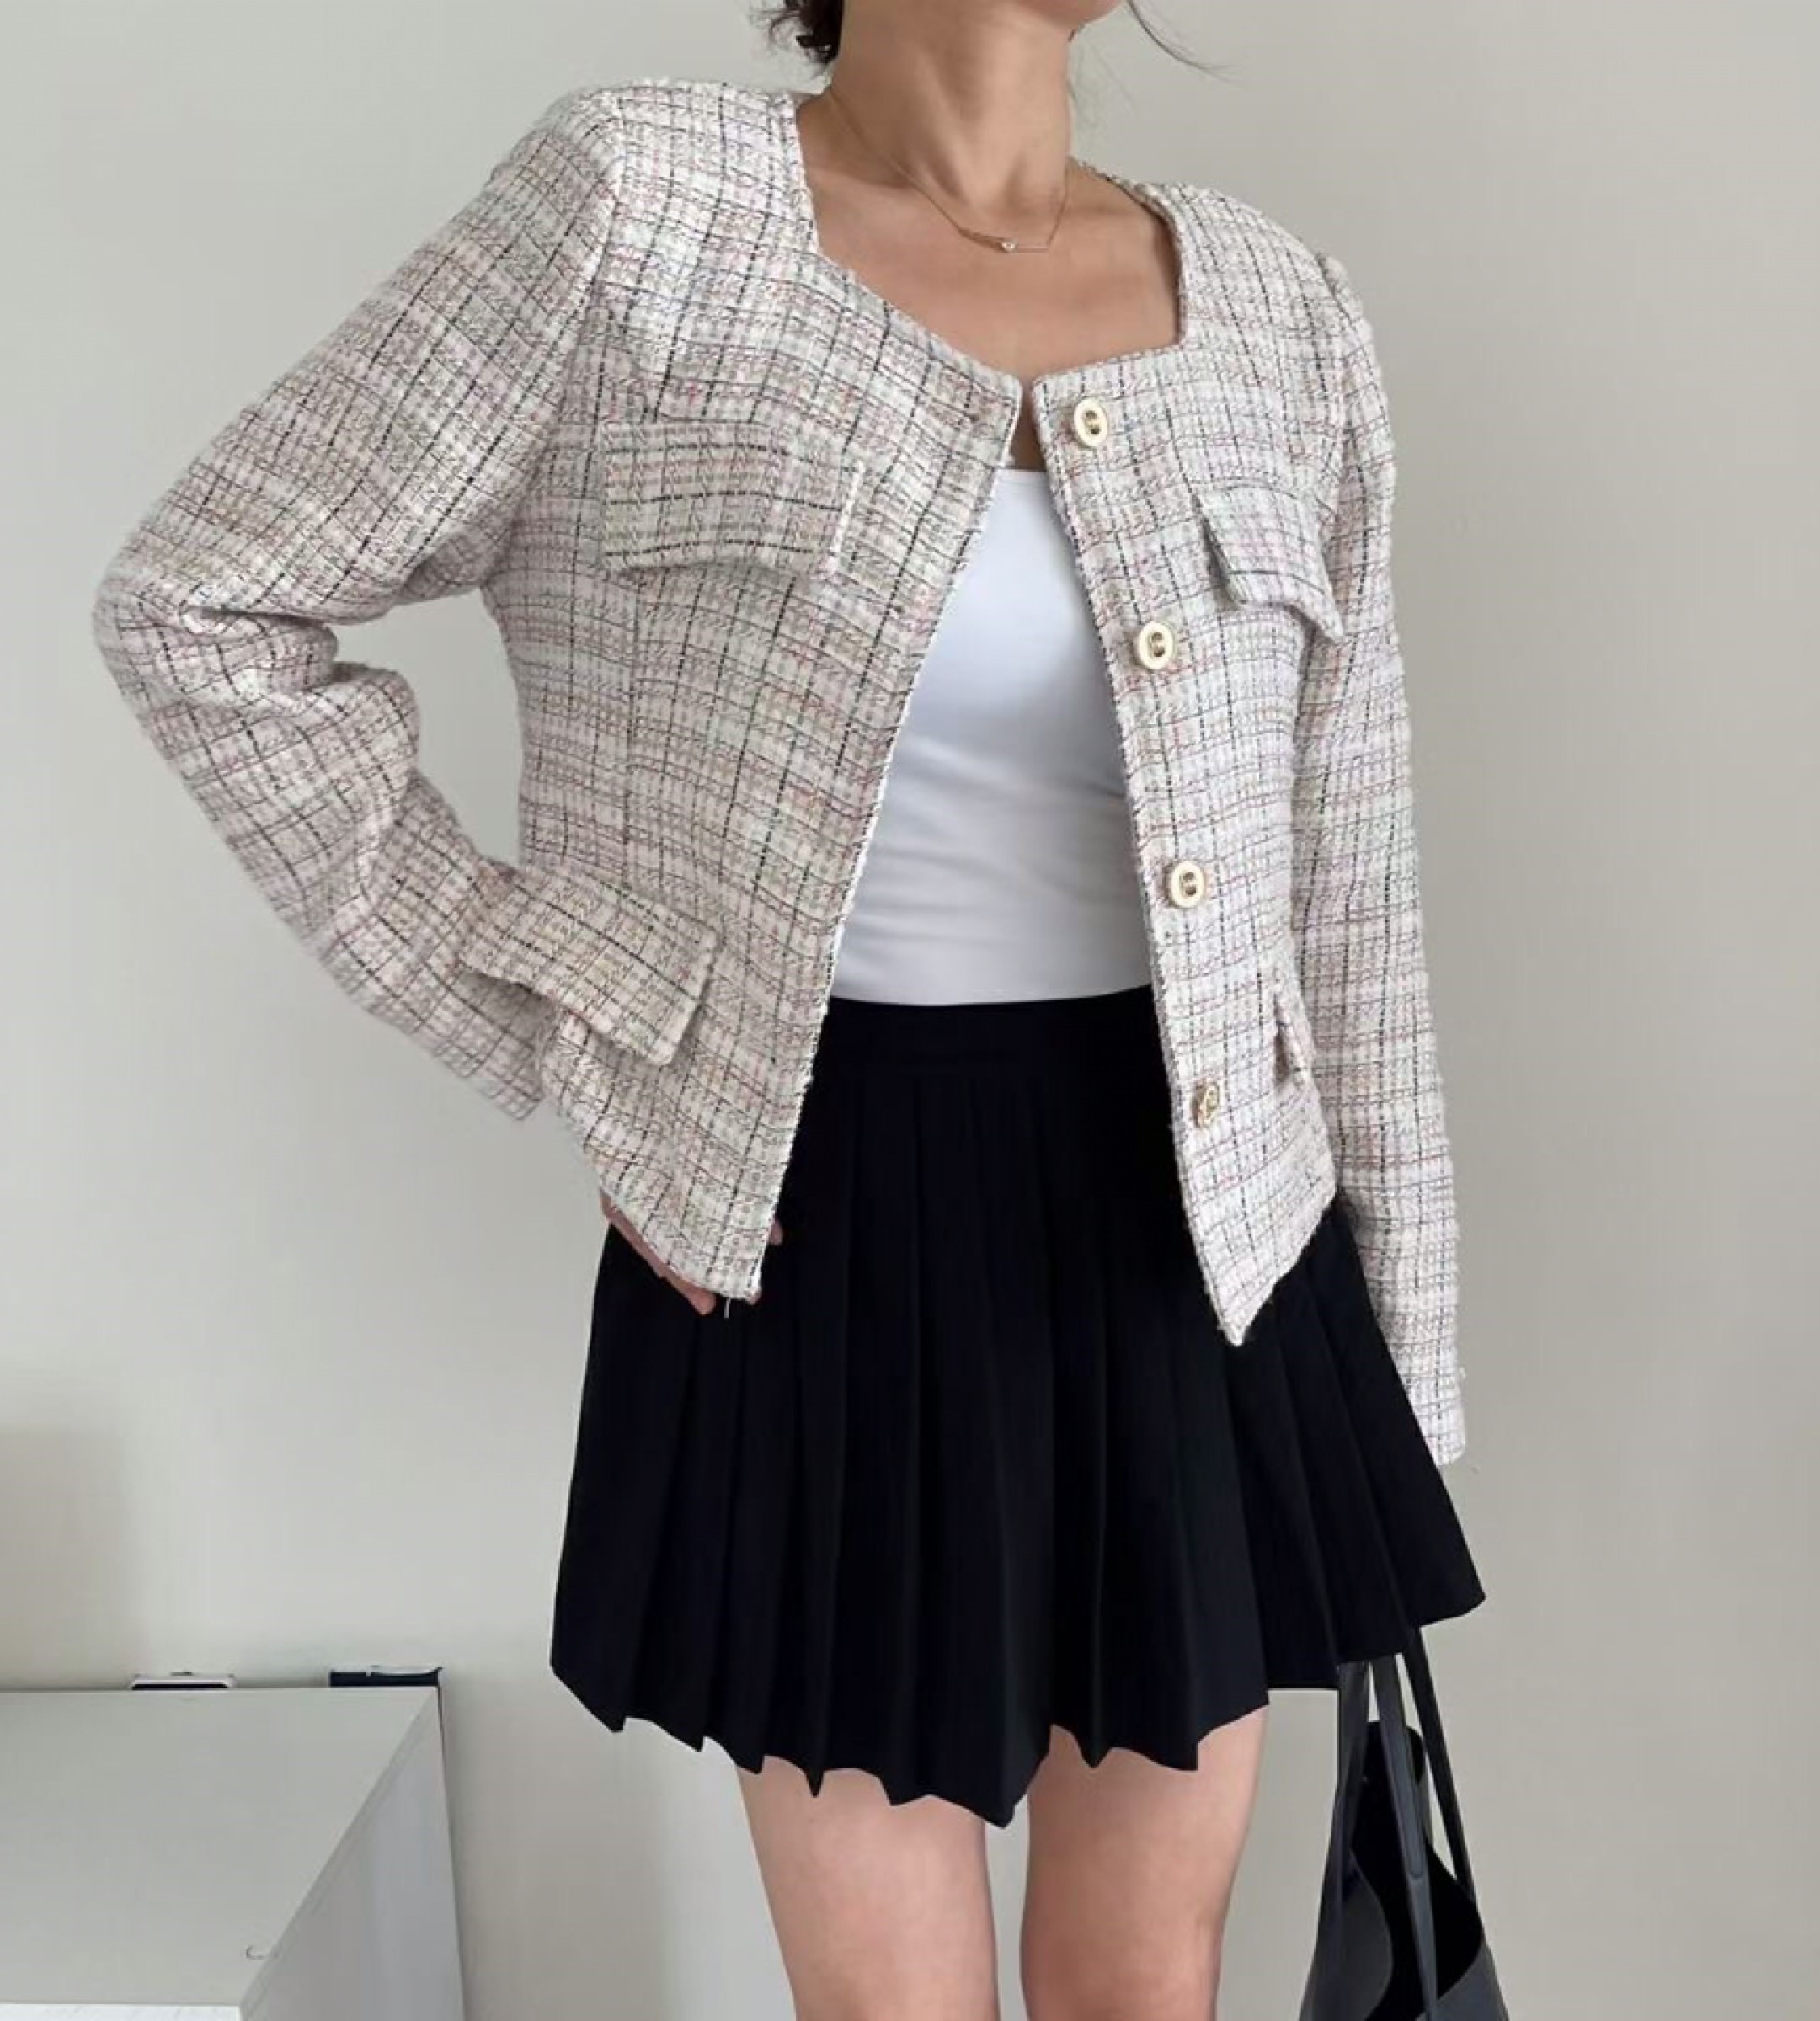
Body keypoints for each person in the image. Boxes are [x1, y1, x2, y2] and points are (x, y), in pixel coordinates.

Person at [90, 8, 1486, 2015]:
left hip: (1202, 1227)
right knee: (886, 2001)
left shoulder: (1277, 308)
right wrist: (560, 1012)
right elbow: (204, 603)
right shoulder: (640, 212)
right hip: (814, 1224)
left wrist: (1396, 1385)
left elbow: (1351, 883)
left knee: (1148, 1981)